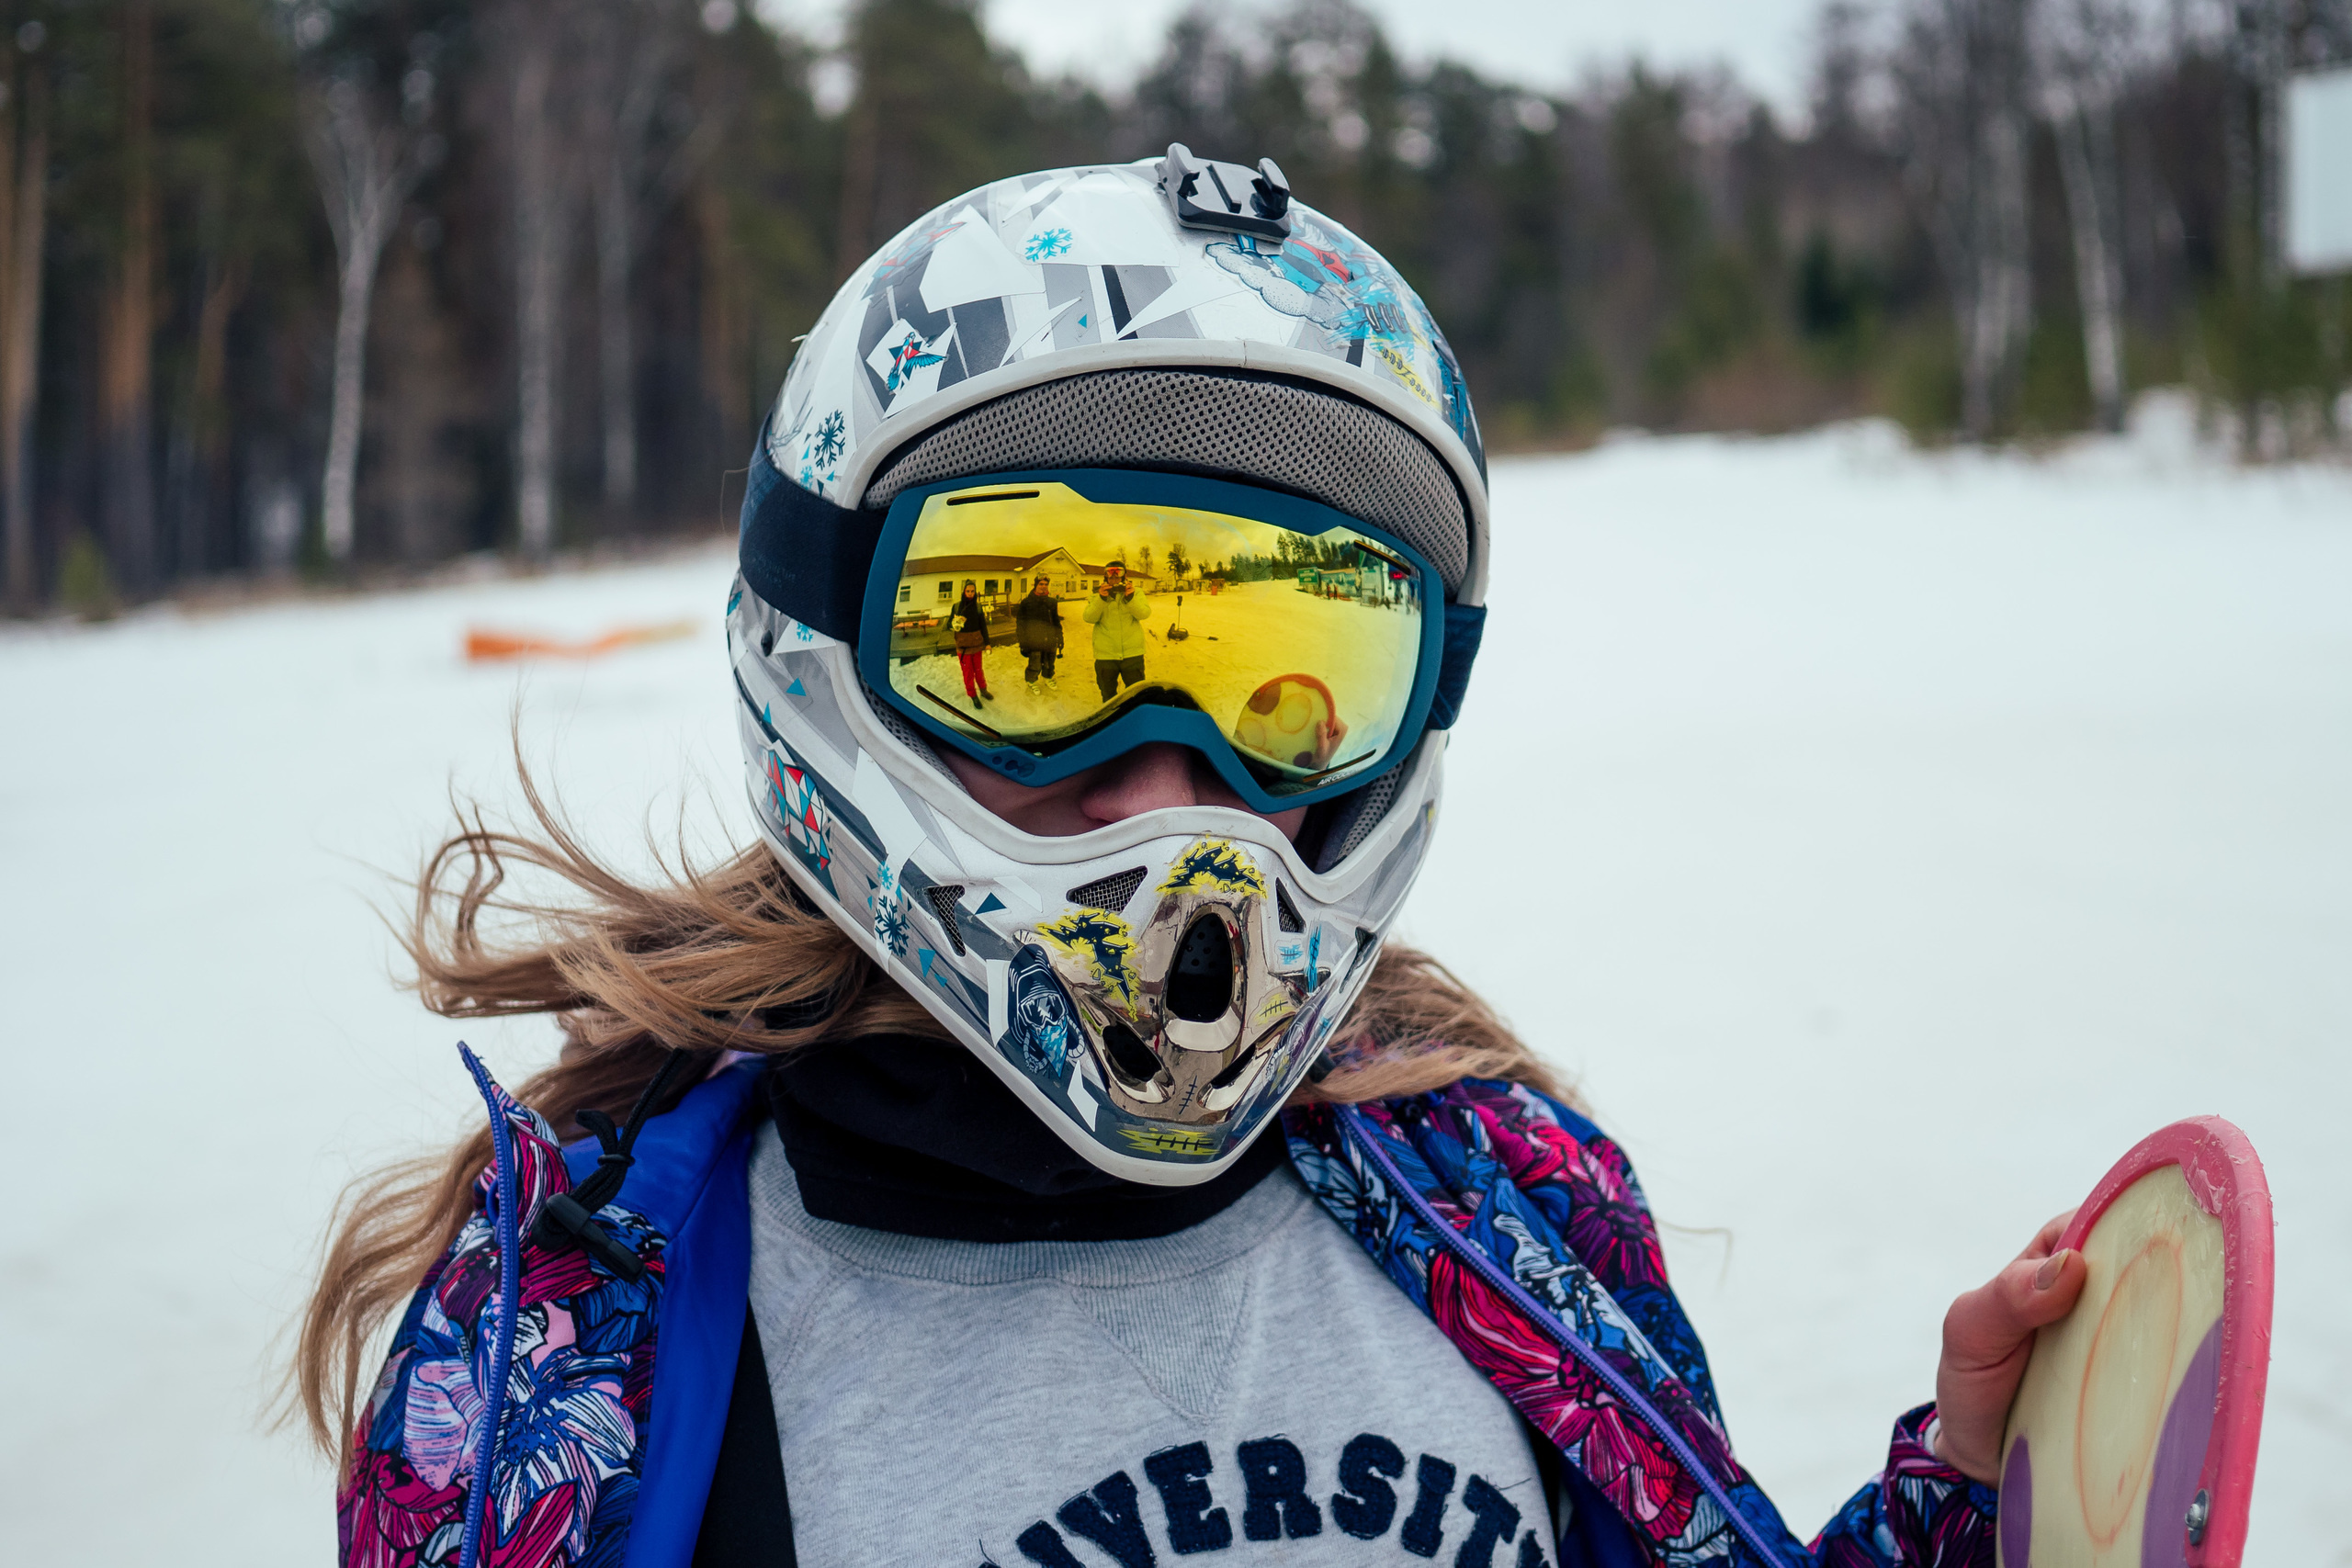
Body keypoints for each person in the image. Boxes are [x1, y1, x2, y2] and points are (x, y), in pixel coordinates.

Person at [305, 156, 2084, 1568]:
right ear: (828, 645)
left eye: (1286, 681)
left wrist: (1972, 1502)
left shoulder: (1502, 1191)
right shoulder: (577, 1345)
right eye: (1039, 652)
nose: (1171, 792)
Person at [1083, 560, 1150, 700]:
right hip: (1106, 655)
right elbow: (1089, 618)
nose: (1114, 578)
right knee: (1108, 694)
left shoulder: (1136, 593)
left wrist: (1130, 599)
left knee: (1136, 694)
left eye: (1118, 573)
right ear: (1105, 576)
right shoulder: (1096, 595)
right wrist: (1102, 599)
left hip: (1132, 653)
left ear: (1124, 576)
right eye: (1110, 574)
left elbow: (1144, 614)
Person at [950, 578, 992, 708]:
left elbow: (983, 626)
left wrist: (987, 643)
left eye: (972, 591)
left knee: (979, 671)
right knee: (968, 673)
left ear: (975, 592)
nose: (970, 593)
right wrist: (955, 624)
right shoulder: (956, 606)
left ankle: (983, 690)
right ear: (964, 591)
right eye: (968, 591)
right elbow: (949, 625)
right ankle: (973, 695)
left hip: (976, 644)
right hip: (963, 647)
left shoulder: (978, 607)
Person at [1016, 576, 1063, 686]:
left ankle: (1048, 677)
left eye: (1046, 584)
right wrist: (1023, 642)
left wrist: (1060, 636)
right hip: (1034, 639)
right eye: (1041, 584)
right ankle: (1031, 681)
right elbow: (1021, 624)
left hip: (1050, 637)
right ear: (1035, 585)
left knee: (1049, 662)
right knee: (1035, 663)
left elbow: (1056, 620)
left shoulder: (1052, 602)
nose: (1043, 587)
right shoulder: (1026, 602)